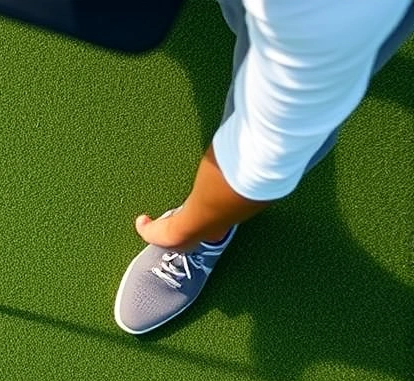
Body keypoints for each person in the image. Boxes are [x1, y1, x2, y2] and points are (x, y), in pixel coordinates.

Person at [114, 0, 414, 334]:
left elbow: (260, 159)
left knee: (277, 99)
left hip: (321, 29)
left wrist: (186, 229)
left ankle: (212, 233)